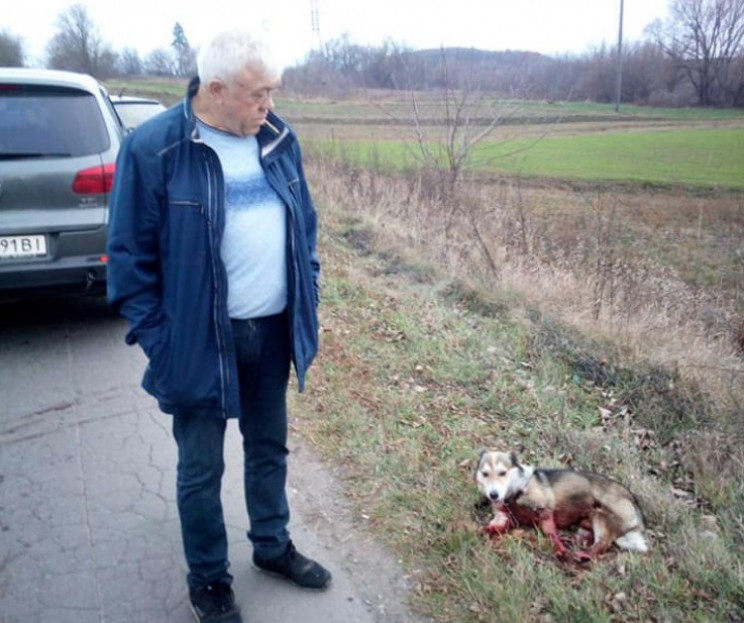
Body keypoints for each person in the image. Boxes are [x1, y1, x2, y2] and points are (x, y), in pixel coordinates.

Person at [107, 29, 329, 623]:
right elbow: (128, 259)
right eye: (259, 94)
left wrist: (308, 291)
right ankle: (209, 580)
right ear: (216, 89)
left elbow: (303, 227)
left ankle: (272, 547)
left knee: (268, 448)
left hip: (274, 329)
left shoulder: (280, 140)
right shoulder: (156, 149)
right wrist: (163, 342)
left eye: (273, 93)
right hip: (199, 341)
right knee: (201, 467)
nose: (269, 106)